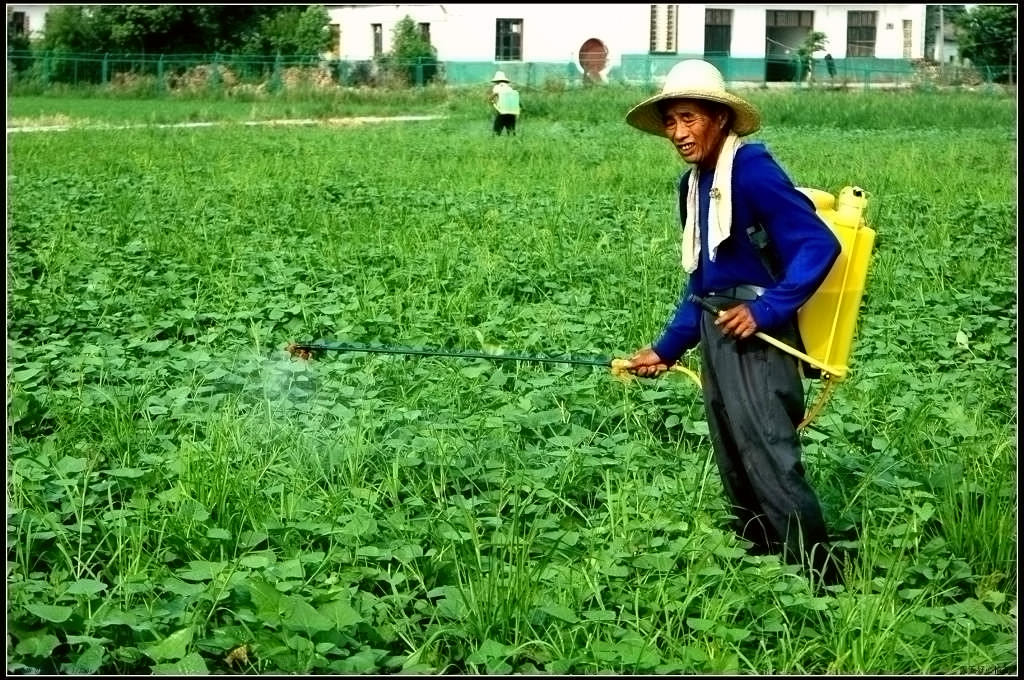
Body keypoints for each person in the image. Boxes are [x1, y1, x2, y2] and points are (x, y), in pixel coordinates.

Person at [622, 59, 844, 585]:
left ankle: (819, 581)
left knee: (769, 453)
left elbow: (819, 244)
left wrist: (766, 310)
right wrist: (667, 348)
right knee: (733, 455)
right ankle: (762, 570)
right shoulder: (694, 184)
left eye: (689, 118)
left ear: (720, 118)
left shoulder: (752, 170)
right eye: (671, 121)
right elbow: (702, 280)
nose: (678, 132)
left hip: (760, 334)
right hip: (716, 328)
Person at [489, 70, 520, 136]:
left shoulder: (497, 87)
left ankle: (494, 144)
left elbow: (494, 95)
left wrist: (490, 99)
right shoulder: (510, 88)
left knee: (496, 131)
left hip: (502, 112)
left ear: (496, 81)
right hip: (512, 113)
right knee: (511, 131)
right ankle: (514, 143)